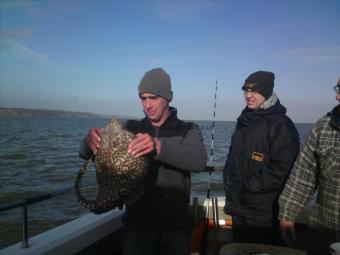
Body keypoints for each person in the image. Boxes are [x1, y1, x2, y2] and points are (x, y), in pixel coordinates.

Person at [79, 68, 207, 255]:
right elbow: (84, 154)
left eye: (153, 97)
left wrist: (158, 147)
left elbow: (199, 161)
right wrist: (89, 141)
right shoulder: (131, 128)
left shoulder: (188, 129)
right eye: (143, 98)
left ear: (167, 98)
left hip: (176, 230)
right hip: (137, 227)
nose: (147, 105)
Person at [223, 71, 300, 245]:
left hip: (263, 212)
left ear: (266, 92)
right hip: (238, 206)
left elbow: (282, 169)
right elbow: (232, 156)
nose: (248, 95)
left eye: (254, 91)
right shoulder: (244, 120)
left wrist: (249, 186)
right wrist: (229, 178)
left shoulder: (282, 125)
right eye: (246, 90)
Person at [279, 79, 340, 255]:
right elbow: (303, 175)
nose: (337, 96)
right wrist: (287, 214)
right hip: (324, 236)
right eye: (337, 88)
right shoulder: (324, 127)